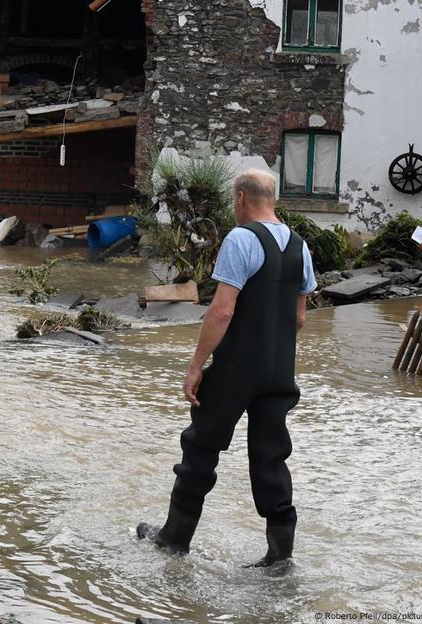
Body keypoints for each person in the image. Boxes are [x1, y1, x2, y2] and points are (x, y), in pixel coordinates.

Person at [136, 169, 317, 567]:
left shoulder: (241, 238)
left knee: (200, 447)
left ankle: (173, 539)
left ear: (240, 198)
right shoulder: (300, 246)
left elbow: (221, 310)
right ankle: (279, 557)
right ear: (273, 199)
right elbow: (299, 319)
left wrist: (196, 365)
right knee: (271, 456)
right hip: (279, 373)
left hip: (237, 369)